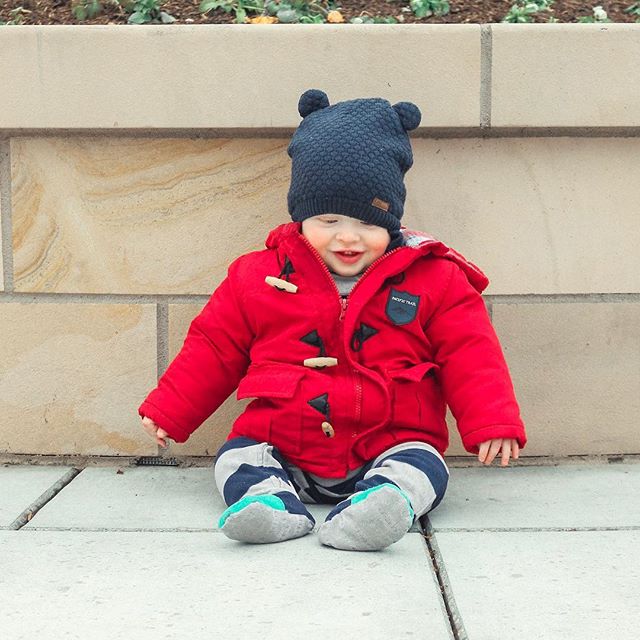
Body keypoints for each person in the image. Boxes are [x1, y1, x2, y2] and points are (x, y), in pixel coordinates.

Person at [138, 88, 527, 551]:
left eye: (368, 223)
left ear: (394, 223)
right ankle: (271, 505)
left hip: (390, 440)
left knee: (424, 464)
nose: (348, 237)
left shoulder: (436, 279)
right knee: (237, 457)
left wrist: (493, 422)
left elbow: (471, 352)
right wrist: (171, 408)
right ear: (300, 218)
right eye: (328, 220)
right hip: (283, 443)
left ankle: (380, 507)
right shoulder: (256, 276)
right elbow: (215, 345)